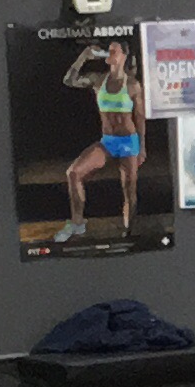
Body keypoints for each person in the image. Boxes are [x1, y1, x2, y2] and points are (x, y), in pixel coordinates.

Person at [54, 41, 144, 243]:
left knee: (129, 190)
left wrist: (142, 147)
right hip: (108, 141)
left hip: (128, 142)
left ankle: (128, 232)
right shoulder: (98, 80)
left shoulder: (132, 85)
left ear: (123, 56)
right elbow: (69, 80)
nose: (110, 52)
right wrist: (83, 57)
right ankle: (77, 223)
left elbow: (140, 118)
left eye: (114, 50)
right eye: (108, 49)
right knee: (74, 173)